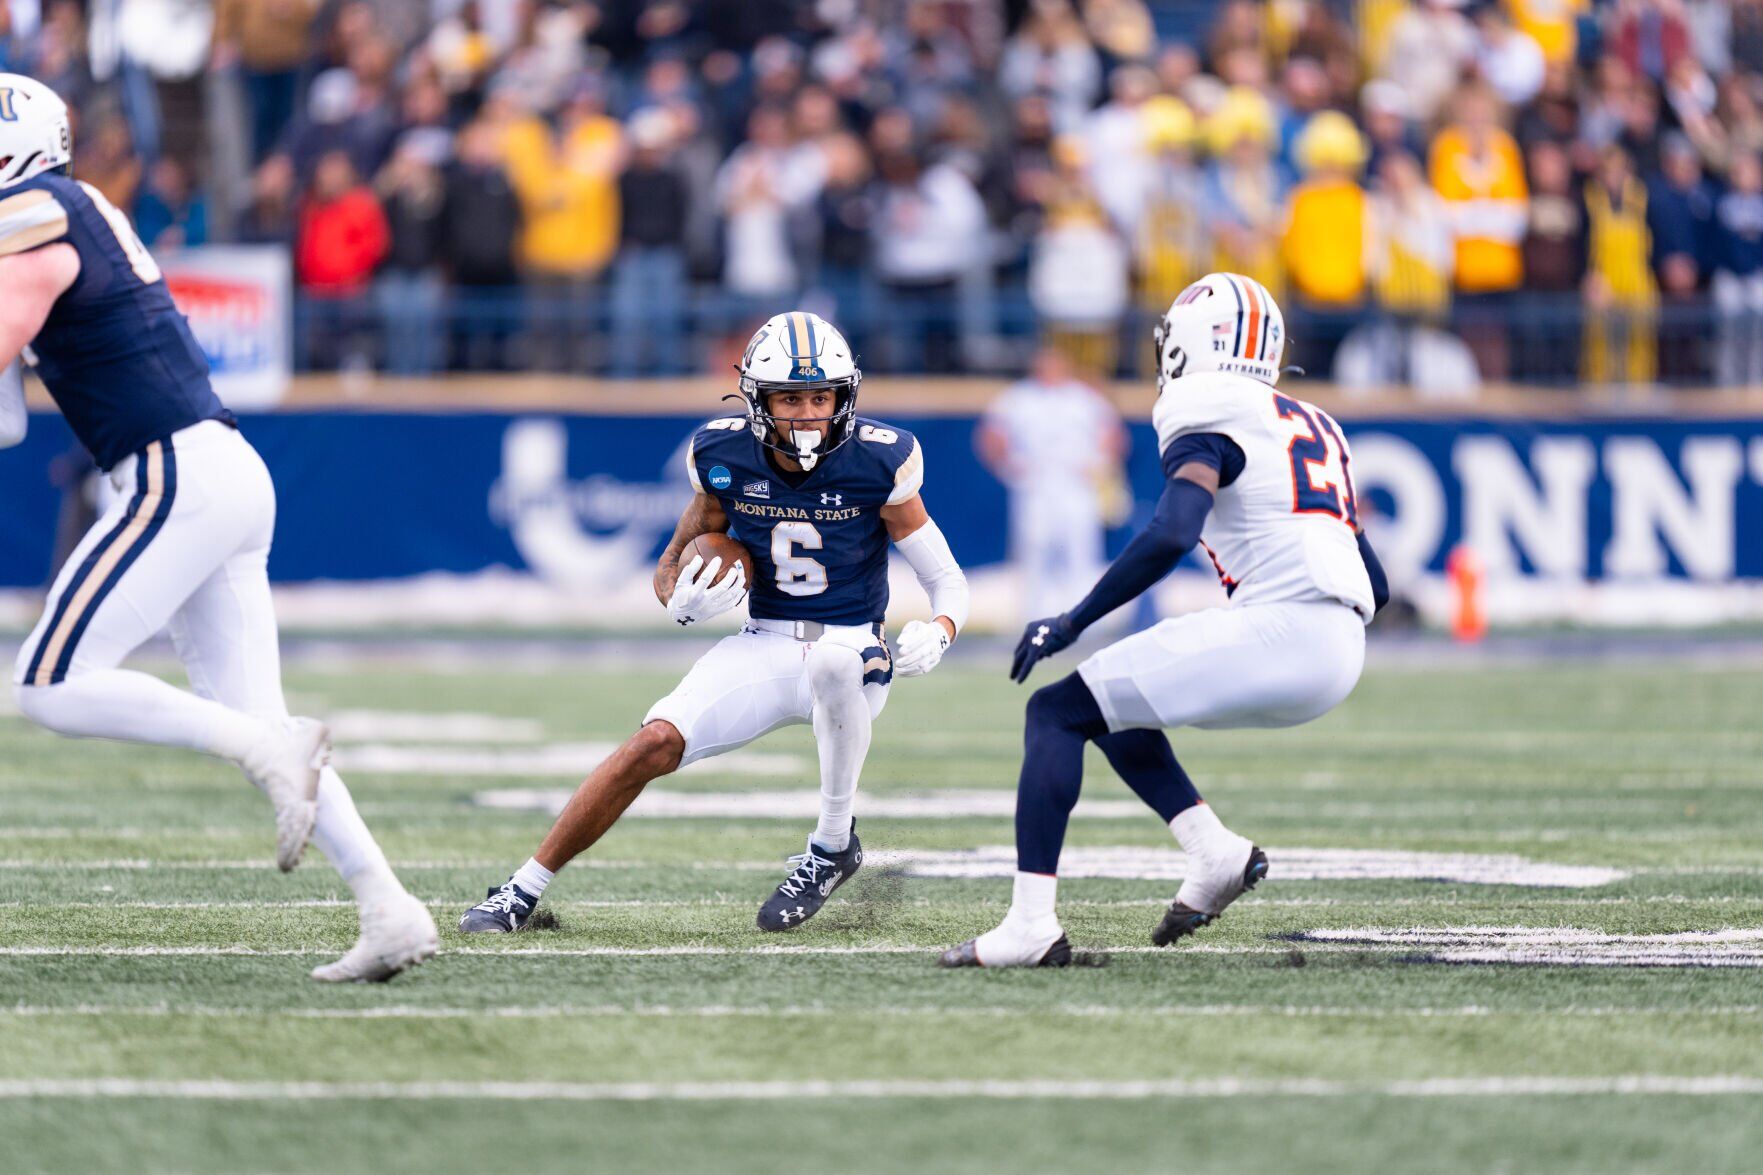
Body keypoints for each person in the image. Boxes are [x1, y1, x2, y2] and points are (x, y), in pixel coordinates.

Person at [0, 74, 436, 982]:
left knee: (47, 681)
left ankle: (264, 750)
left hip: (175, 473)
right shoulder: (66, 208)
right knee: (263, 717)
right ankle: (388, 908)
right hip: (213, 468)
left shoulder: (41, 207)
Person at [461, 311, 970, 934]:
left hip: (851, 647)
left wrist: (939, 630)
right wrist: (681, 600)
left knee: (836, 664)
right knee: (652, 743)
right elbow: (672, 563)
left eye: (821, 397)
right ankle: (520, 889)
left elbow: (947, 580)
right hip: (764, 641)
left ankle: (832, 845)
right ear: (758, 399)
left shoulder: (880, 460)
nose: (808, 413)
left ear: (845, 397)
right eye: (790, 397)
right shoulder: (722, 453)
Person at [940, 273, 1388, 968]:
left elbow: (1173, 531)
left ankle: (1029, 926)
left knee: (1055, 713)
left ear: (1191, 343)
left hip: (1282, 629)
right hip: (1340, 647)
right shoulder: (1314, 423)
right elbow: (1376, 583)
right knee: (1112, 703)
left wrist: (1070, 618)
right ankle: (1215, 855)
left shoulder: (1201, 405)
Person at [977, 347, 1126, 621]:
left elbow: (1113, 434)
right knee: (1033, 550)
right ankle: (1031, 617)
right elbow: (990, 435)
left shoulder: (1083, 398)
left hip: (1075, 485)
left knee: (1080, 551)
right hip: (1036, 485)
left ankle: (1083, 618)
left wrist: (1100, 464)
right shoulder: (1018, 398)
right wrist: (1009, 467)